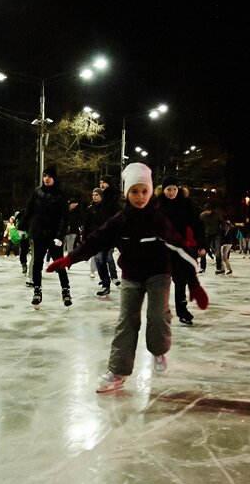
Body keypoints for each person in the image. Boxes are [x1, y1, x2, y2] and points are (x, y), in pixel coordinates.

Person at [47, 162, 207, 393]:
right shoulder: (120, 219)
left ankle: (159, 350)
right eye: (134, 191)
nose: (140, 197)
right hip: (132, 274)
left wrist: (194, 284)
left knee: (156, 315)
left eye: (144, 191)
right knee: (127, 321)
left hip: (159, 273)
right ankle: (118, 371)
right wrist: (70, 259)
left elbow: (180, 249)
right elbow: (95, 240)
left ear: (151, 191)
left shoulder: (158, 220)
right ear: (127, 192)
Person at [20, 164, 71, 308]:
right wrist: (22, 227)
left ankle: (65, 290)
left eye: (49, 176)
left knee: (59, 264)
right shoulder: (37, 192)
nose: (46, 179)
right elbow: (28, 210)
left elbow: (63, 218)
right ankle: (37, 290)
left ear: (54, 178)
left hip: (54, 236)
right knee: (37, 263)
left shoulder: (60, 195)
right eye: (44, 176)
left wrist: (60, 236)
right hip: (38, 234)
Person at [156, 175, 204, 324]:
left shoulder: (186, 204)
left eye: (174, 189)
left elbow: (197, 225)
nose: (171, 192)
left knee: (180, 280)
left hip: (178, 248)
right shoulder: (156, 204)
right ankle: (159, 311)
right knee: (160, 281)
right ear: (163, 190)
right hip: (161, 248)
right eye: (168, 189)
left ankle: (182, 311)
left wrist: (201, 244)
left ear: (179, 189)